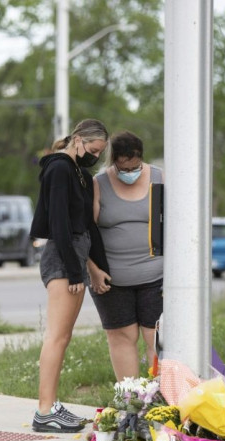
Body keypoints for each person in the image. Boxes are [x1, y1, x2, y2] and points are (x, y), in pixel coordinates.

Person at [29, 119, 111, 433]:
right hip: (63, 259)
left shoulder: (81, 174)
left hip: (76, 256)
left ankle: (51, 405)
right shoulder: (59, 169)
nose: (94, 156)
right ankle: (44, 411)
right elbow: (60, 224)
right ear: (77, 140)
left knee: (64, 337)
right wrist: (75, 270)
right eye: (92, 149)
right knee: (56, 336)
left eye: (99, 153)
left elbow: (85, 227)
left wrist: (96, 268)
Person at [88, 130, 164, 382]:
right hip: (111, 280)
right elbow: (86, 230)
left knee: (156, 336)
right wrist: (93, 270)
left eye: (134, 166)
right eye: (123, 168)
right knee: (122, 337)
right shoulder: (99, 184)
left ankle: (161, 400)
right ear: (113, 161)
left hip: (156, 275)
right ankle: (130, 401)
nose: (129, 172)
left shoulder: (159, 178)